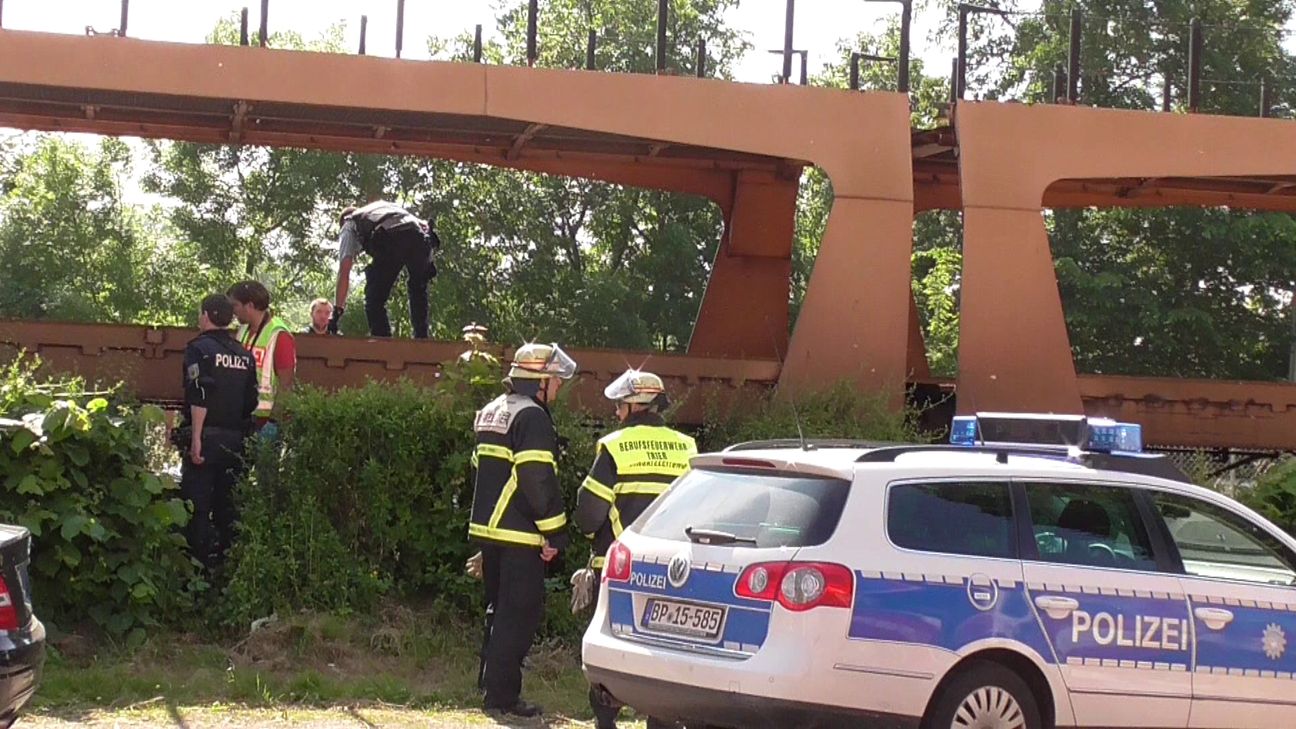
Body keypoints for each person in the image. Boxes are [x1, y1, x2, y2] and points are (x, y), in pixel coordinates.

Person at [573, 369, 697, 729]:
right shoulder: (687, 447)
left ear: (633, 406)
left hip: (618, 566)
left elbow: (588, 513)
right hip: (674, 570)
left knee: (610, 648)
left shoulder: (615, 446)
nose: (616, 412)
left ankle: (606, 720)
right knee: (666, 649)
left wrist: (592, 539)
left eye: (619, 406)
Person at [469, 342, 576, 718]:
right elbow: (537, 479)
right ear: (538, 381)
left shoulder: (492, 410)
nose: (558, 386)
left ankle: (490, 686)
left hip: (491, 531)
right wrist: (555, 532)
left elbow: (479, 470)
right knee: (518, 616)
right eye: (555, 380)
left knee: (498, 612)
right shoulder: (532, 417)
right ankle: (502, 698)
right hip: (519, 533)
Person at [174, 293, 258, 572]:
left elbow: (199, 392)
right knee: (229, 508)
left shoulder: (199, 349)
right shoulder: (244, 355)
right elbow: (250, 402)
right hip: (236, 441)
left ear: (207, 315)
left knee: (196, 506)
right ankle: (228, 567)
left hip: (206, 439)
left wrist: (196, 438)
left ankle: (196, 572)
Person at [330, 200, 440, 339]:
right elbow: (424, 226)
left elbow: (344, 270)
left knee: (374, 298)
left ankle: (383, 341)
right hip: (420, 239)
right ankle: (421, 338)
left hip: (392, 239)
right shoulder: (387, 208)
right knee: (418, 288)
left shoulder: (349, 223)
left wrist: (337, 312)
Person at [227, 281, 296, 437]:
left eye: (235, 305)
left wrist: (274, 422)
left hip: (265, 420)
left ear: (250, 306)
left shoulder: (279, 335)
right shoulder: (243, 330)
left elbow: (286, 384)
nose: (233, 311)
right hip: (242, 416)